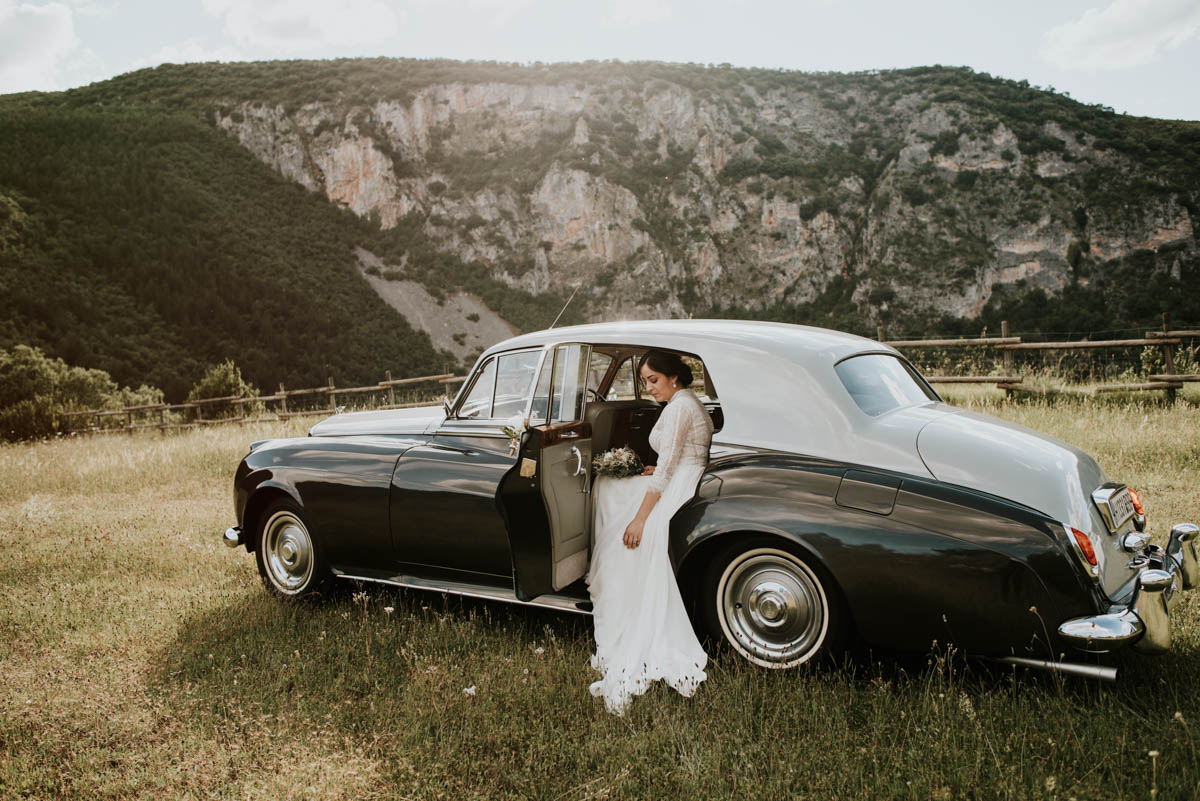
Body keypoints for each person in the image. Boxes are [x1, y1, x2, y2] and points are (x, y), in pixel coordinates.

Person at [585, 350, 714, 715]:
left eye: (653, 380)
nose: (649, 388)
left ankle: (603, 565)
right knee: (610, 487)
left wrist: (641, 520)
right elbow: (676, 457)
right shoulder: (688, 401)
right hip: (683, 475)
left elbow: (667, 470)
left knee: (607, 493)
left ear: (674, 377)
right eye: (645, 381)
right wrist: (653, 468)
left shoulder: (678, 408)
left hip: (677, 485)